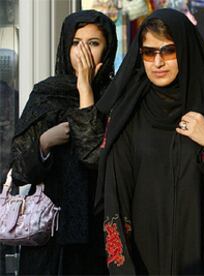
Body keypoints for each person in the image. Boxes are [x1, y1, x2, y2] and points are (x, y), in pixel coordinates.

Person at [94, 9, 204, 275]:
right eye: (149, 52)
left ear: (186, 51)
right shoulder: (129, 114)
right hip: (145, 259)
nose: (158, 62)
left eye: (168, 51)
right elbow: (116, 199)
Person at [10, 10, 117, 275]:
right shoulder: (46, 94)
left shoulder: (117, 99)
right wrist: (44, 144)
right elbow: (20, 171)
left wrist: (85, 90)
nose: (83, 52)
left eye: (93, 44)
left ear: (107, 49)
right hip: (48, 235)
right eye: (76, 42)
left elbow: (94, 158)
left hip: (100, 234)